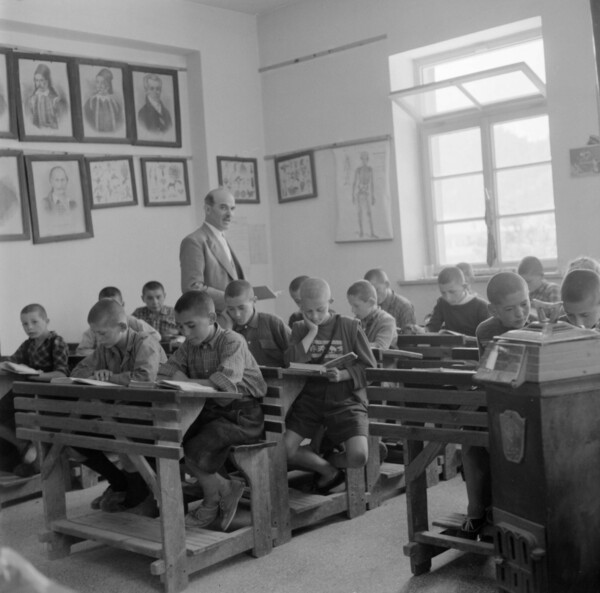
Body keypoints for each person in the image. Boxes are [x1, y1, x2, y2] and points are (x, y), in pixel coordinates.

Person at [159, 291, 266, 530]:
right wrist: (184, 378)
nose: (184, 332)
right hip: (211, 411)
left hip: (242, 415)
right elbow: (165, 370)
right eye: (180, 326)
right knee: (173, 439)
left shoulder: (232, 341)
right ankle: (225, 488)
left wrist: (185, 380)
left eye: (190, 325)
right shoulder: (189, 345)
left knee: (196, 448)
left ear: (210, 317)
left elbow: (224, 384)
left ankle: (211, 499)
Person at [283, 278, 376, 494]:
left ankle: (331, 457)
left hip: (345, 399)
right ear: (299, 306)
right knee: (285, 451)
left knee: (359, 456)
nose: (315, 316)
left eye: (320, 309)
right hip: (310, 401)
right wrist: (312, 332)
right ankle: (328, 472)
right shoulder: (299, 328)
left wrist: (343, 374)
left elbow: (369, 369)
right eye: (308, 311)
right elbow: (289, 363)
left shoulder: (350, 326)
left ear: (331, 302)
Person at [70, 299, 163, 512]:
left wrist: (111, 377)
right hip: (118, 413)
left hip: (153, 415)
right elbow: (77, 372)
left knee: (122, 433)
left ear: (122, 327)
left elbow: (145, 378)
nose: (99, 339)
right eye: (95, 334)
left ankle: (140, 492)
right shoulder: (105, 348)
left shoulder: (145, 342)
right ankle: (121, 483)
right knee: (75, 437)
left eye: (102, 333)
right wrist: (95, 374)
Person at [461, 273, 531, 536]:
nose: (520, 313)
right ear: (493, 309)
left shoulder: (537, 326)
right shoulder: (486, 330)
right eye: (510, 309)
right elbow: (496, 373)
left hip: (528, 406)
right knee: (471, 440)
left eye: (525, 304)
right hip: (496, 402)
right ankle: (477, 509)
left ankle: (510, 511)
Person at [0, 304, 69, 477]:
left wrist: (38, 375)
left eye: (34, 322)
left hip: (48, 393)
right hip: (24, 390)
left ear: (46, 321)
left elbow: (61, 373)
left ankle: (36, 459)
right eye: (24, 324)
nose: (29, 327)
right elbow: (11, 362)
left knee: (28, 420)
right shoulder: (27, 344)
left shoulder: (56, 342)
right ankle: (22, 445)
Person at [180, 188, 244, 312]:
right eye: (223, 208)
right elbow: (192, 288)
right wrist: (234, 302)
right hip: (214, 320)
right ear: (208, 209)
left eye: (232, 208)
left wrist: (248, 296)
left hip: (235, 318)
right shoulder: (194, 241)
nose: (230, 214)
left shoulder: (222, 237)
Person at [76, 287, 165, 359]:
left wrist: (136, 347)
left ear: (122, 305)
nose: (109, 309)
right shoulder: (97, 327)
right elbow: (81, 351)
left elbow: (156, 337)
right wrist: (104, 354)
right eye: (104, 305)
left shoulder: (130, 321)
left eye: (114, 305)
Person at [224, 280, 290, 367]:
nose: (237, 314)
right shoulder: (228, 329)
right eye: (231, 309)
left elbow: (296, 356)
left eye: (241, 308)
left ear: (254, 301)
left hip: (276, 379)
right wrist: (228, 331)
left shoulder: (273, 323)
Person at [424, 267, 489, 336]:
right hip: (449, 345)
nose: (447, 298)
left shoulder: (481, 306)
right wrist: (423, 330)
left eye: (452, 292)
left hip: (473, 346)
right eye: (443, 293)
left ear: (464, 287)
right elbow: (432, 327)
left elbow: (487, 336)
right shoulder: (442, 302)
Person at [346, 280, 397, 349]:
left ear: (371, 302)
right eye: (351, 306)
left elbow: (380, 347)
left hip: (382, 359)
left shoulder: (387, 321)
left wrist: (353, 346)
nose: (353, 310)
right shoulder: (357, 321)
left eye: (356, 306)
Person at [364, 268, 416, 332]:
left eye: (377, 290)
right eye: (370, 292)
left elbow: (411, 338)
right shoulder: (368, 305)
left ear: (387, 284)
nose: (374, 296)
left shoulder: (404, 306)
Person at [83, 68, 123, 133]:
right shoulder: (90, 102)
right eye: (97, 82)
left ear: (109, 84)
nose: (100, 86)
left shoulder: (115, 103)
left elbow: (119, 122)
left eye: (103, 82)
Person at [28, 63, 61, 130]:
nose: (39, 83)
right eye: (36, 80)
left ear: (47, 81)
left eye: (41, 80)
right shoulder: (32, 99)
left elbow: (58, 118)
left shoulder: (55, 99)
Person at [352, 151, 376, 239]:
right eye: (363, 158)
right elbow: (354, 183)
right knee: (360, 213)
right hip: (360, 193)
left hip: (367, 193)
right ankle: (361, 232)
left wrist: (373, 196)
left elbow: (372, 183)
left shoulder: (370, 169)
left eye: (366, 158)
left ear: (368, 159)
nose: (364, 160)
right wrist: (352, 195)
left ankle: (372, 232)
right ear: (361, 159)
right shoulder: (358, 170)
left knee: (369, 213)